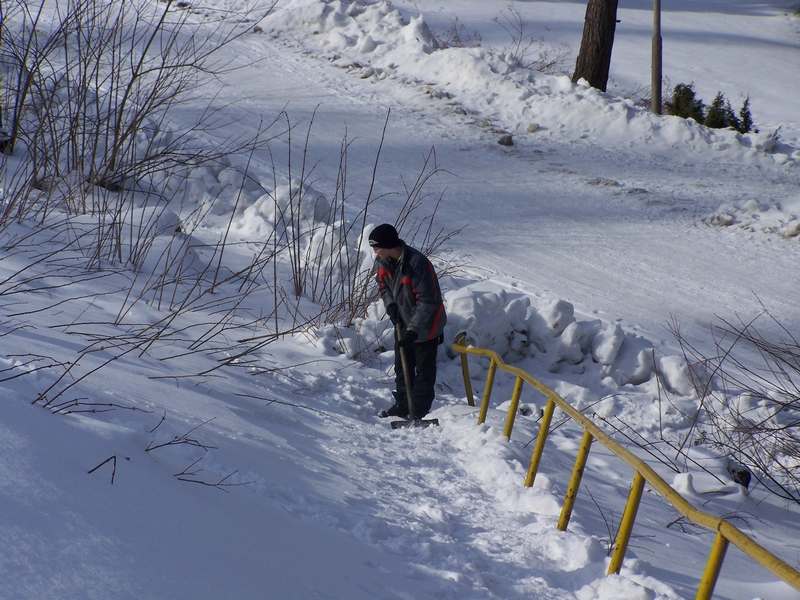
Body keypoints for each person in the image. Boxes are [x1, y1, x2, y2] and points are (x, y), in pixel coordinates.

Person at [368, 223, 447, 420]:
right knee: (402, 368)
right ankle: (403, 406)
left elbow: (429, 301)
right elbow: (384, 288)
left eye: (377, 247)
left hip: (427, 325)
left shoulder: (417, 263)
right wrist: (391, 307)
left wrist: (414, 330)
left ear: (389, 245)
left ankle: (418, 411)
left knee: (423, 372)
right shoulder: (383, 262)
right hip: (403, 322)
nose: (375, 251)